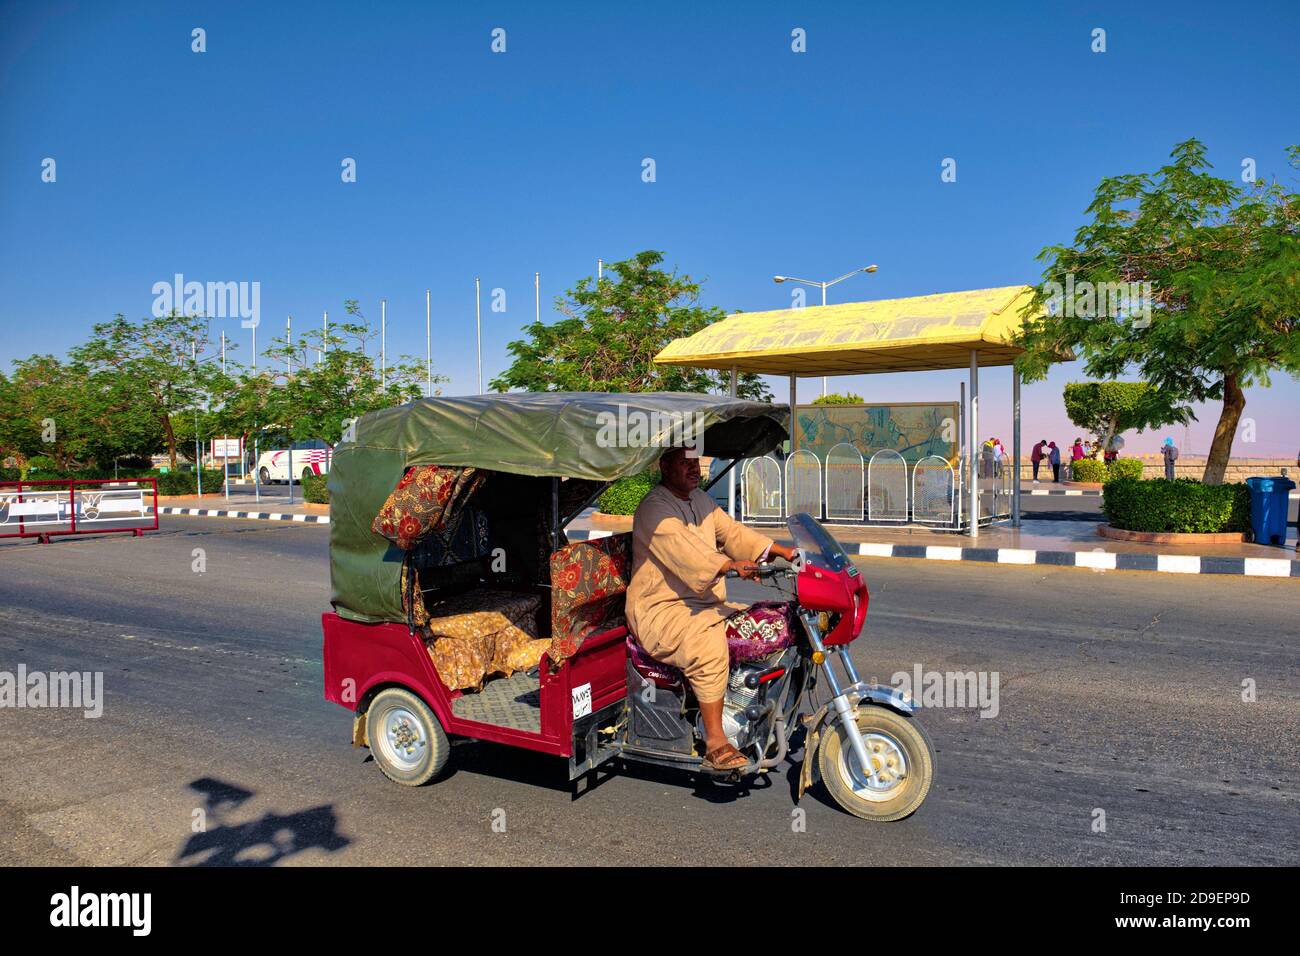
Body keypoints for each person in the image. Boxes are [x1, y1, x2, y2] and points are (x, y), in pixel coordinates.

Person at [626, 446, 799, 772]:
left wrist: (781, 551)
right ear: (664, 466)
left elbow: (732, 532)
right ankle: (716, 741)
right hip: (660, 610)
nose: (694, 468)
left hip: (700, 603)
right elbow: (686, 552)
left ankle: (758, 708)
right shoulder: (655, 508)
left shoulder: (700, 500)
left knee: (765, 622)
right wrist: (728, 564)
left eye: (696, 462)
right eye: (684, 462)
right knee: (708, 645)